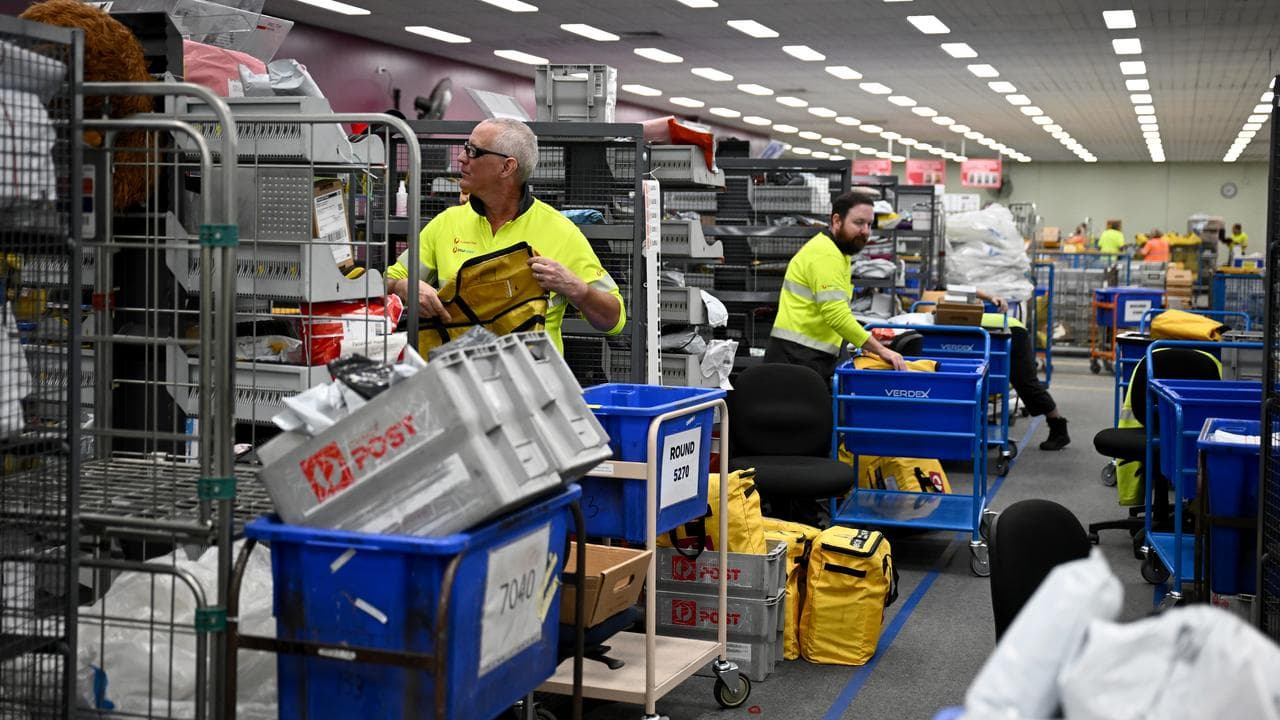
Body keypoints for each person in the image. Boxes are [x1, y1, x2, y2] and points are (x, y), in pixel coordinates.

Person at [384, 118, 625, 353]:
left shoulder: (561, 232)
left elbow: (614, 320)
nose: (460, 158)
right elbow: (387, 282)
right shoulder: (447, 223)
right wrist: (404, 286)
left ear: (507, 167)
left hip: (530, 383)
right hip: (455, 380)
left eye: (473, 151)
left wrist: (577, 289)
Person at [764, 191, 907, 384]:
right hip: (796, 357)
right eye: (858, 223)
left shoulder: (840, 253)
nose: (865, 231)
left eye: (869, 224)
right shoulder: (827, 255)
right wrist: (880, 350)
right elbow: (836, 315)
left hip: (806, 354)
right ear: (837, 220)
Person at [974, 290, 1071, 451]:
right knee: (984, 379)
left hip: (1010, 332)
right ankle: (984, 425)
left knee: (1025, 383)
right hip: (993, 332)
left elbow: (973, 291)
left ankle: (1058, 429)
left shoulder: (940, 303)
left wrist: (992, 297)